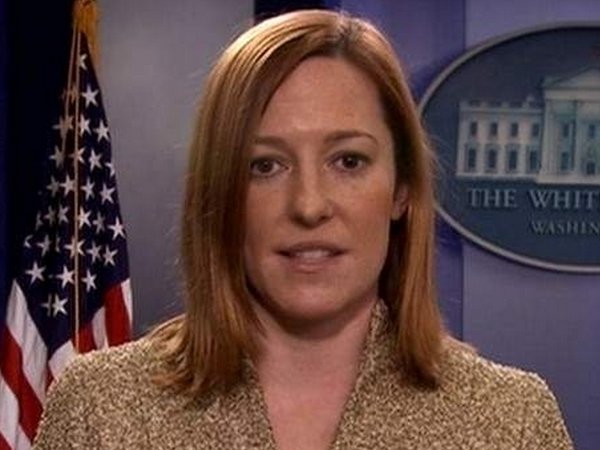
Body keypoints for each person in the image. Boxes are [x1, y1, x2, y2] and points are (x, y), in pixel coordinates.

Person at [33, 9, 573, 450]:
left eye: (349, 161)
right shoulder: (100, 412)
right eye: (265, 166)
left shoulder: (511, 421)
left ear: (402, 189)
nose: (309, 206)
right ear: (221, 194)